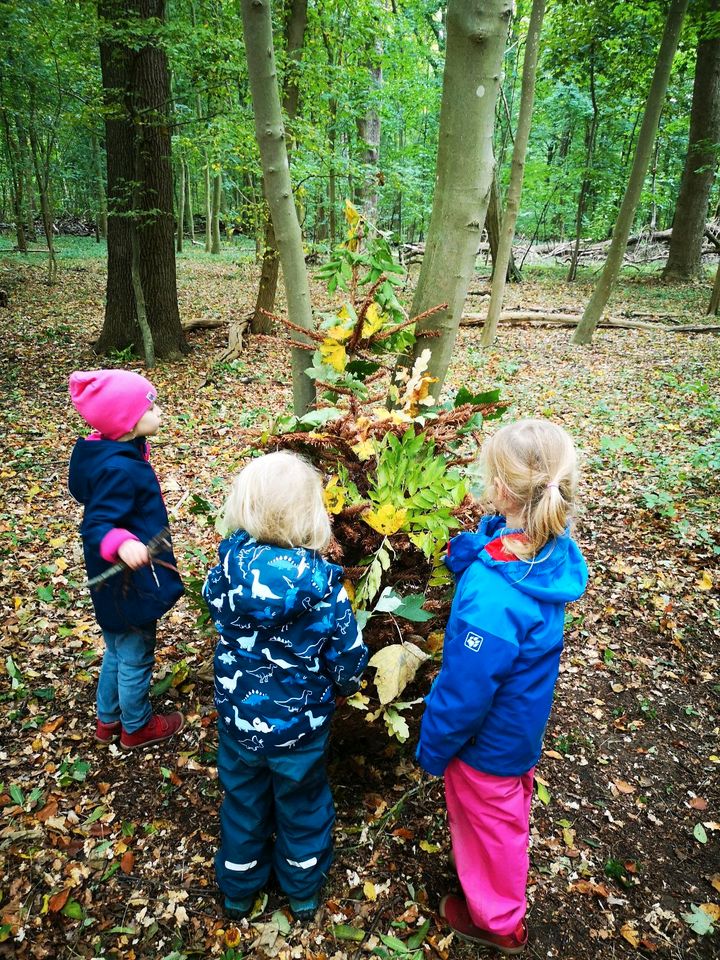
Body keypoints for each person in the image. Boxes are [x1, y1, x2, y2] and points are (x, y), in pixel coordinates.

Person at [416, 418, 588, 955]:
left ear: (504, 487)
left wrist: (434, 744)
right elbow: (502, 543)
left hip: (485, 743)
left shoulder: (494, 598)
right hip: (521, 722)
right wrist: (475, 551)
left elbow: (466, 692)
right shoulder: (547, 547)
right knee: (500, 811)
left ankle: (497, 920)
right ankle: (482, 873)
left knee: (493, 823)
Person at [204, 451, 368, 923]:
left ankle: (238, 888)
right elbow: (348, 655)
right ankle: (301, 889)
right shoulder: (325, 588)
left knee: (243, 801)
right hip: (301, 727)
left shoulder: (225, 574)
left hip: (238, 721)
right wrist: (344, 685)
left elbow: (218, 614)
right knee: (303, 804)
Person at [68, 369, 185, 750]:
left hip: (111, 581)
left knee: (117, 649)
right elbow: (98, 522)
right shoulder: (118, 469)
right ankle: (136, 726)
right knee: (135, 653)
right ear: (127, 422)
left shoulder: (112, 453)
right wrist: (121, 542)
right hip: (126, 582)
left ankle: (108, 720)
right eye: (151, 406)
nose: (159, 411)